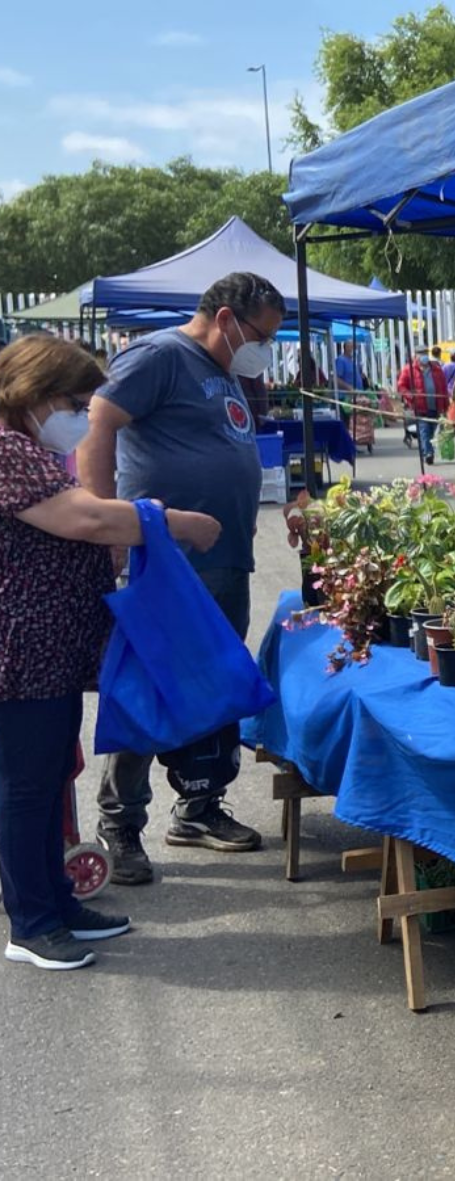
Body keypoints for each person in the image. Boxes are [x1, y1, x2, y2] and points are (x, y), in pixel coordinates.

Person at [1, 338, 223, 967]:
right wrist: (175, 521)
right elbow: (90, 521)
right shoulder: (9, 451)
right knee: (26, 786)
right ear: (33, 393)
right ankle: (32, 924)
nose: (79, 415)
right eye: (73, 402)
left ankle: (56, 902)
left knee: (46, 782)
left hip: (49, 644)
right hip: (23, 648)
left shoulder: (29, 448)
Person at [75, 273, 279, 886]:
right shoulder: (162, 355)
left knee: (214, 685)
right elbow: (98, 424)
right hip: (167, 559)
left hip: (224, 557)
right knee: (151, 689)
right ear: (224, 318)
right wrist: (108, 522)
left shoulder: (221, 369)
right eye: (260, 335)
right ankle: (121, 823)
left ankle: (198, 806)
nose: (263, 348)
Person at [397, 349, 449, 463]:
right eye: (421, 354)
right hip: (420, 406)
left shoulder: (437, 369)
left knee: (431, 430)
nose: (424, 356)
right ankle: (428, 453)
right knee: (424, 429)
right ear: (416, 356)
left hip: (436, 406)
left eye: (425, 354)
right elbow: (401, 386)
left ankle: (427, 449)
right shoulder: (409, 369)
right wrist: (410, 396)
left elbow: (444, 388)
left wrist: (445, 406)